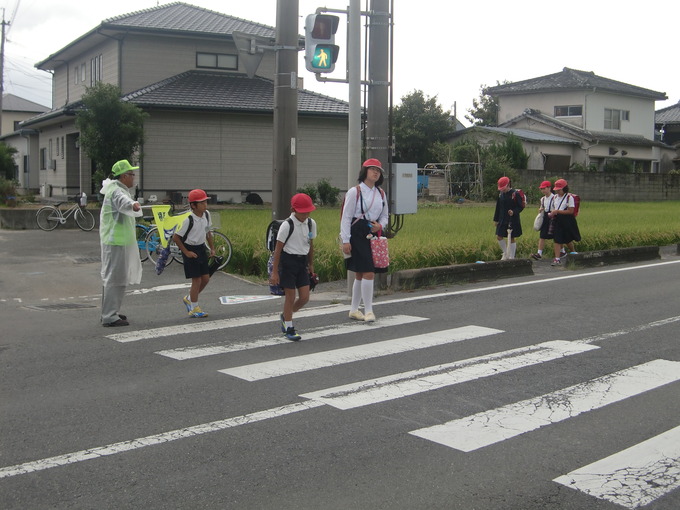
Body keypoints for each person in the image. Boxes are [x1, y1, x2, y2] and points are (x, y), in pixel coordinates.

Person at [340, 158, 389, 322]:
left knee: (361, 273)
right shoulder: (355, 191)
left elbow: (385, 216)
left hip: (373, 232)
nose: (376, 172)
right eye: (372, 169)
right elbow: (346, 217)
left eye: (378, 170)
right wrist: (345, 240)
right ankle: (368, 310)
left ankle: (354, 309)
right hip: (357, 232)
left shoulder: (381, 193)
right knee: (368, 271)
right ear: (365, 171)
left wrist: (379, 226)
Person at [99, 160, 143, 327]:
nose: (134, 177)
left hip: (116, 240)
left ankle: (110, 312)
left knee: (114, 277)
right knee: (115, 278)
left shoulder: (115, 189)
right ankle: (110, 316)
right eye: (132, 174)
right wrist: (133, 204)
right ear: (124, 176)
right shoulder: (117, 191)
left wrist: (132, 203)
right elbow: (124, 201)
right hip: (115, 241)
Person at [270, 193, 317, 341]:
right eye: (302, 212)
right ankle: (289, 328)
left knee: (304, 297)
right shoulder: (287, 225)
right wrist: (275, 272)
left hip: (302, 262)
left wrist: (311, 265)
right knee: (290, 297)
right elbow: (278, 250)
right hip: (288, 262)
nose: (305, 214)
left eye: (308, 211)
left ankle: (285, 315)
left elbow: (310, 245)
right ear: (293, 209)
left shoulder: (311, 223)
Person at [173, 189, 215, 318]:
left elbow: (208, 232)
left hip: (201, 249)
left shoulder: (206, 215)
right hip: (190, 250)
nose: (205, 205)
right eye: (201, 203)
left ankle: (190, 298)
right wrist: (186, 252)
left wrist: (212, 248)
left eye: (205, 202)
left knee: (206, 279)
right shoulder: (188, 219)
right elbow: (176, 237)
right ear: (193, 205)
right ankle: (194, 308)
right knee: (196, 280)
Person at [548, 179, 581, 266]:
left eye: (559, 189)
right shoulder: (555, 197)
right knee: (557, 239)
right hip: (557, 220)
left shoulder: (569, 198)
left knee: (567, 238)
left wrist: (557, 211)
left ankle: (573, 252)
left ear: (564, 188)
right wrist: (553, 213)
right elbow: (553, 208)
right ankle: (557, 258)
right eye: (557, 190)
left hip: (567, 220)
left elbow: (571, 211)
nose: (558, 191)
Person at [493, 176, 523, 259]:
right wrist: (496, 220)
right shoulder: (501, 195)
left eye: (503, 188)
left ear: (508, 184)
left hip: (512, 219)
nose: (502, 190)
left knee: (511, 238)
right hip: (502, 219)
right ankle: (505, 252)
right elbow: (498, 208)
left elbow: (520, 207)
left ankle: (511, 256)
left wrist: (513, 212)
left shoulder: (515, 194)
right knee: (499, 236)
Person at [530, 180, 555, 260]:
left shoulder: (554, 198)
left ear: (549, 188)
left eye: (544, 188)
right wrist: (541, 209)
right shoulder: (542, 199)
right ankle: (539, 253)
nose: (543, 190)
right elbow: (542, 207)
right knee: (542, 235)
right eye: (542, 189)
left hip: (553, 218)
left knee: (556, 236)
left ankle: (562, 251)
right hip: (545, 218)